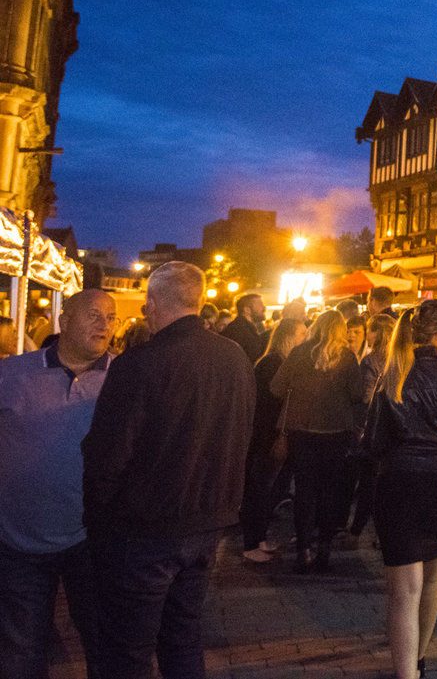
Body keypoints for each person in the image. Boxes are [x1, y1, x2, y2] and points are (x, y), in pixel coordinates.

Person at [81, 262, 255, 679]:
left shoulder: (140, 363)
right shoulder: (234, 358)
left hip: (144, 529)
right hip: (206, 524)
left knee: (128, 649)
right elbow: (244, 433)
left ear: (154, 303)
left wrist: (99, 515)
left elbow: (108, 452)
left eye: (146, 306)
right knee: (182, 637)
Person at [364, 299, 437, 679]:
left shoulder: (393, 372)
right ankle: (417, 660)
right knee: (433, 580)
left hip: (399, 483)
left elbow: (374, 441)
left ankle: (406, 673)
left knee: (403, 591)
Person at [0, 289, 113, 679]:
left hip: (93, 540)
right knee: (22, 650)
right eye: (94, 314)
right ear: (63, 320)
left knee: (103, 642)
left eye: (111, 317)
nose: (105, 324)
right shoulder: (11, 373)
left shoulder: (126, 379)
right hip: (19, 540)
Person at [271, 311, 363, 572]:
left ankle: (303, 550)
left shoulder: (299, 353)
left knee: (304, 491)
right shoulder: (346, 357)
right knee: (328, 492)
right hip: (336, 433)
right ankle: (324, 550)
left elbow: (276, 387)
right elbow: (357, 394)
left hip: (302, 430)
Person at [240, 317, 308, 563]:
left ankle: (259, 539)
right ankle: (251, 543)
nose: (305, 339)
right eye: (302, 334)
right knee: (260, 489)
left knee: (270, 489)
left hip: (271, 434)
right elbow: (269, 404)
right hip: (267, 437)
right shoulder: (272, 363)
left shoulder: (278, 362)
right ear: (289, 336)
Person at [350, 312, 397, 540]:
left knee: (369, 482)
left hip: (373, 426)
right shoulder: (400, 357)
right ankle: (384, 533)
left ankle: (357, 529)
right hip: (394, 426)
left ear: (378, 333)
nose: (367, 334)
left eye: (370, 330)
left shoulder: (371, 360)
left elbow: (367, 397)